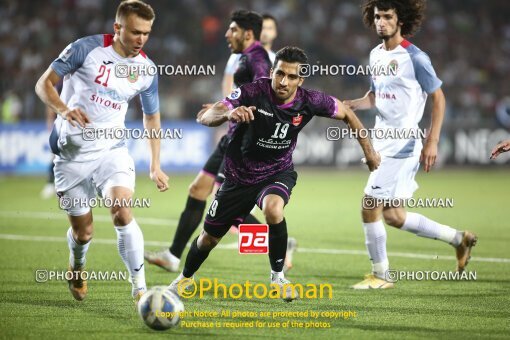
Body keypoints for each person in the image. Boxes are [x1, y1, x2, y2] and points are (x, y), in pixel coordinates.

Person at [168, 46, 380, 301]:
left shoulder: (310, 100)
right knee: (208, 240)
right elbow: (205, 115)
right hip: (238, 177)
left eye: (291, 77)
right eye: (280, 74)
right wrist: (228, 113)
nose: (284, 81)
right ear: (272, 72)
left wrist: (369, 152)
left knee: (274, 209)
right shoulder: (252, 92)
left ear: (300, 80)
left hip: (277, 173)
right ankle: (184, 279)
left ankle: (278, 277)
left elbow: (347, 114)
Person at [34, 0, 168, 303]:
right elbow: (43, 85)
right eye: (135, 32)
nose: (141, 39)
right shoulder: (86, 49)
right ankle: (77, 266)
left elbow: (152, 117)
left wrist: (155, 164)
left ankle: (140, 290)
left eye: (146, 33)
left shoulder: (146, 70)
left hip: (112, 150)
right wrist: (64, 110)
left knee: (122, 210)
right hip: (72, 156)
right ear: (117, 27)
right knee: (84, 234)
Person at [344, 0, 477, 290]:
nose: (381, 22)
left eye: (387, 16)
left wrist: (432, 141)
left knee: (369, 206)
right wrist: (351, 105)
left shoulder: (415, 57)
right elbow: (376, 96)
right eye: (377, 16)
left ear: (400, 19)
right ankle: (459, 238)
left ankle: (381, 276)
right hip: (381, 141)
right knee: (393, 215)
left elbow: (438, 98)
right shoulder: (375, 54)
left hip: (403, 144)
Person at [145, 10, 290, 273]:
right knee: (198, 189)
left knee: (225, 202)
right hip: (233, 133)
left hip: (242, 143)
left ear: (247, 34)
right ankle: (173, 255)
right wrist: (223, 108)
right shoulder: (243, 57)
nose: (226, 33)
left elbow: (264, 100)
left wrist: (235, 115)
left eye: (232, 29)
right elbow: (241, 96)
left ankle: (277, 240)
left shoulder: (257, 61)